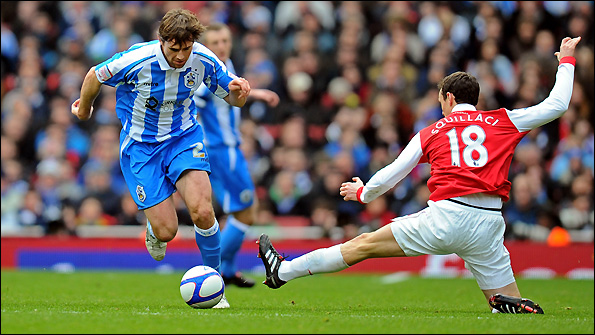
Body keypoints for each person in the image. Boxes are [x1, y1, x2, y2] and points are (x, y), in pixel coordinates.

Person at [258, 36, 582, 314]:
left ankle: (283, 271)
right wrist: (566, 59)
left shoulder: (433, 130)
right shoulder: (504, 120)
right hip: (489, 224)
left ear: (449, 98)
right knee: (505, 301)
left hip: (446, 217)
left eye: (441, 100)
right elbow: (558, 104)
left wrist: (363, 193)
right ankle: (510, 306)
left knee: (363, 245)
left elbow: (393, 172)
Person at [71, 8, 251, 309]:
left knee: (203, 211)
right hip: (141, 148)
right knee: (168, 231)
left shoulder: (204, 59)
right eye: (174, 49)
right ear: (162, 41)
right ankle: (155, 230)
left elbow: (231, 96)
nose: (181, 56)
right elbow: (94, 75)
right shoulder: (136, 59)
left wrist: (239, 93)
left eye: (187, 48)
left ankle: (215, 284)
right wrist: (85, 109)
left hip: (183, 138)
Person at [193, 23, 279, 288]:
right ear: (206, 46)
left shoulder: (225, 64)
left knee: (237, 212)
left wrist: (257, 93)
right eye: (215, 42)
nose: (221, 46)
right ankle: (213, 270)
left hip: (228, 148)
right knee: (246, 213)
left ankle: (227, 270)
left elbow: (230, 93)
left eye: (225, 40)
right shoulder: (205, 71)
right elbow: (194, 102)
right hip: (221, 150)